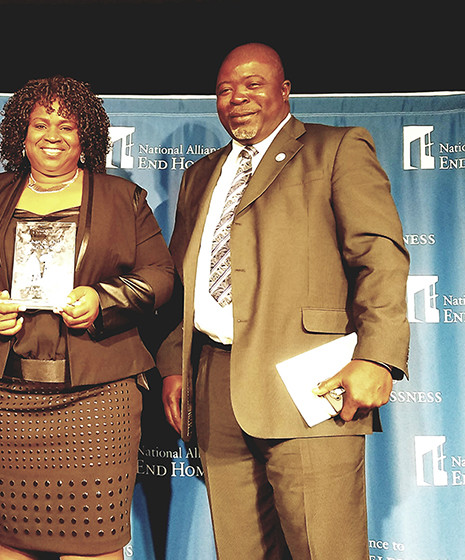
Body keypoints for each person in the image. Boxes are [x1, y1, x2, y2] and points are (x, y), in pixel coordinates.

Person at [156, 44, 410, 559]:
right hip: (215, 387)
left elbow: (379, 257)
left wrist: (377, 357)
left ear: (284, 89)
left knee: (325, 550)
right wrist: (174, 364)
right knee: (240, 551)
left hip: (311, 385)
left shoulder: (335, 149)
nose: (237, 98)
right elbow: (185, 280)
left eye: (252, 84)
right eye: (225, 89)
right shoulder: (200, 175)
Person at [0, 76, 174, 560]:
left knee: (97, 542)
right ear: (20, 136)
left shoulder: (122, 199)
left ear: (85, 136)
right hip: (5, 398)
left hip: (98, 398)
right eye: (40, 123)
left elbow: (162, 277)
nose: (52, 134)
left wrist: (102, 301)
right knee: (16, 540)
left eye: (66, 125)